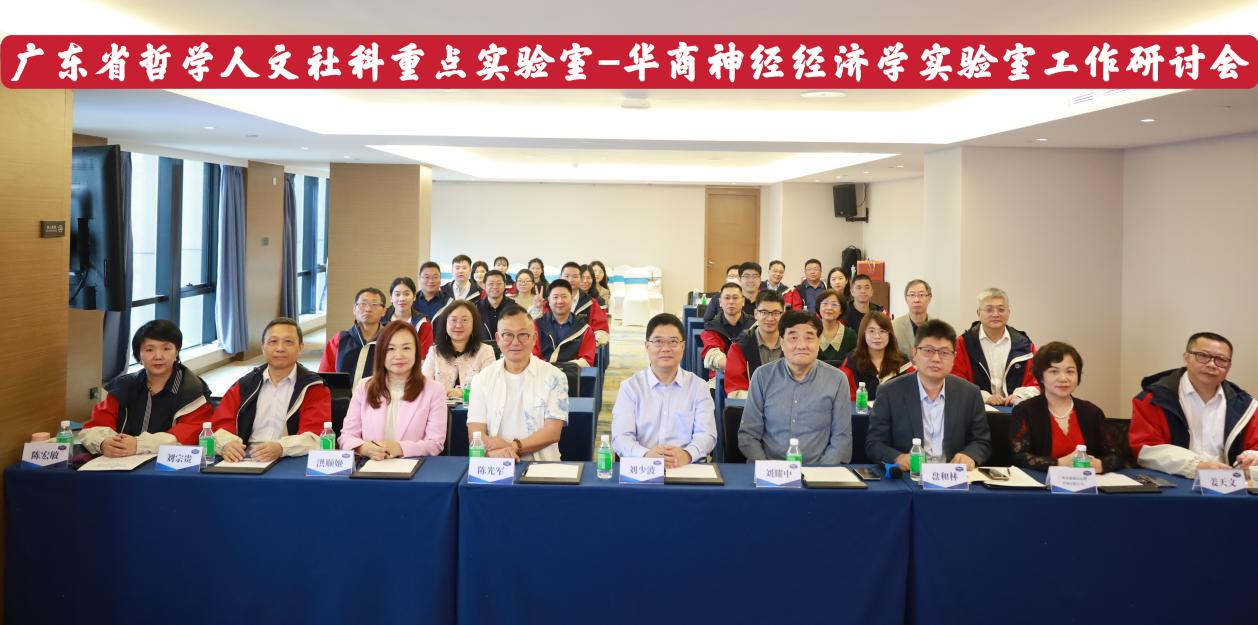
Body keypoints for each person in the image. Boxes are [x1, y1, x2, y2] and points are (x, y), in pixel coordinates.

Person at [865, 319, 991, 470]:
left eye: (944, 353)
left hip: (952, 476)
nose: (936, 359)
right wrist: (897, 458)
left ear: (954, 357)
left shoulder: (970, 393)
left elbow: (981, 441)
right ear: (914, 353)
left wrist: (969, 455)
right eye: (928, 351)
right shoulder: (890, 392)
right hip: (910, 476)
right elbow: (874, 444)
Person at [1129, 332, 1258, 477]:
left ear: (1229, 366)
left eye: (1221, 360)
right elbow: (1146, 450)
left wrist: (1252, 458)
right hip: (1173, 482)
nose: (1212, 365)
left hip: (1228, 483)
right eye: (1203, 356)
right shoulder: (1153, 399)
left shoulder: (1246, 406)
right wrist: (1196, 466)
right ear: (1186, 358)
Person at [79, 320, 213, 456]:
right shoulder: (123, 386)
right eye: (149, 350)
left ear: (176, 352)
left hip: (169, 463)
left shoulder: (193, 390)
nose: (158, 356)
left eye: (166, 349)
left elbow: (189, 434)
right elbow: (95, 426)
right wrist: (104, 442)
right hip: (121, 461)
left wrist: (139, 445)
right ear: (138, 355)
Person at [738, 311, 852, 465]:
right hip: (770, 471)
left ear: (818, 342)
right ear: (782, 343)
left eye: (809, 338)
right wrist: (767, 469)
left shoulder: (837, 380)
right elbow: (749, 435)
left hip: (818, 472)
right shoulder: (762, 376)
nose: (801, 345)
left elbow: (841, 439)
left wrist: (821, 473)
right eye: (793, 338)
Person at [213, 318, 332, 462]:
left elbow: (316, 437)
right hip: (244, 458)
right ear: (263, 347)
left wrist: (281, 448)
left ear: (300, 347)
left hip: (289, 459)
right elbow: (218, 426)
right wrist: (227, 444)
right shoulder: (245, 385)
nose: (280, 348)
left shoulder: (313, 387)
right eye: (273, 342)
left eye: (288, 342)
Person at [611, 313, 717, 467]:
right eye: (658, 341)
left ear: (683, 346)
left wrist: (687, 454)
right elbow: (621, 437)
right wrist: (645, 454)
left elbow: (707, 434)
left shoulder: (698, 387)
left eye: (673, 342)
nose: (666, 349)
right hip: (642, 467)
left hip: (686, 466)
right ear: (647, 346)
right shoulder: (630, 387)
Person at [467, 305, 568, 461]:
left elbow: (553, 432)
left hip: (542, 466)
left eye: (523, 335)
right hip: (496, 463)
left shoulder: (555, 377)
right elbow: (475, 432)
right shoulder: (482, 379)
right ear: (498, 339)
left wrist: (514, 446)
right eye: (507, 335)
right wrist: (493, 454)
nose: (515, 342)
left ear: (534, 338)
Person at [340, 320, 447, 458]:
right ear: (381, 353)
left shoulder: (435, 390)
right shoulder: (364, 387)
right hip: (371, 465)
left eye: (406, 348)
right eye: (391, 349)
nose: (399, 356)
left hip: (414, 466)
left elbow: (435, 444)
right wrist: (364, 448)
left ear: (416, 351)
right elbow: (346, 437)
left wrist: (400, 448)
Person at [1011, 342, 1121, 473]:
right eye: (1054, 371)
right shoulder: (1025, 410)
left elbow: (1116, 455)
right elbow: (1018, 457)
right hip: (1042, 483)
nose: (1063, 378)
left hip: (1086, 482)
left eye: (1070, 371)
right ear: (1041, 376)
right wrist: (1058, 463)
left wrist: (1101, 465)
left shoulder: (1092, 412)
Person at [952, 288, 1039, 406]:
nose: (996, 314)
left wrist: (1019, 396)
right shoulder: (963, 343)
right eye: (989, 309)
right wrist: (984, 397)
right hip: (975, 408)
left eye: (1001, 309)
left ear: (1009, 312)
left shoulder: (1024, 345)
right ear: (978, 313)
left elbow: (1037, 380)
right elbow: (955, 380)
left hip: (1015, 410)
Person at [423, 301, 497, 400]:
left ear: (474, 324)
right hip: (439, 407)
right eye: (453, 320)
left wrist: (463, 392)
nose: (458, 325)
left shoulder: (486, 351)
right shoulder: (434, 352)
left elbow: (490, 386)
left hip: (474, 408)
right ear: (445, 323)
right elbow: (424, 385)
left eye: (465, 320)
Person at [319, 287, 389, 388]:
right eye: (363, 304)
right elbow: (325, 376)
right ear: (354, 309)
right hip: (343, 397)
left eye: (374, 304)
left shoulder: (390, 341)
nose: (368, 309)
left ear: (384, 311)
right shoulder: (339, 340)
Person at [724, 290, 786, 398]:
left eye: (776, 313)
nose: (770, 318)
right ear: (756, 314)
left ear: (783, 314)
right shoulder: (739, 347)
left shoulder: (792, 345)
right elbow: (736, 391)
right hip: (750, 405)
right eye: (764, 312)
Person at [839, 312, 913, 402]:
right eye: (871, 331)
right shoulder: (852, 362)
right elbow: (846, 399)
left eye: (882, 331)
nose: (877, 336)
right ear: (863, 334)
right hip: (862, 411)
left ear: (890, 334)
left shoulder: (903, 362)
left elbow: (913, 393)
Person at [533, 279, 597, 368]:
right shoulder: (537, 325)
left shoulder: (584, 329)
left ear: (572, 299)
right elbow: (532, 356)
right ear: (548, 301)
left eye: (564, 296)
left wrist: (563, 368)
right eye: (555, 297)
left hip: (571, 374)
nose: (560, 301)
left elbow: (587, 360)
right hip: (542, 373)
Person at [699, 282, 754, 377]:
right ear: (720, 302)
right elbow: (712, 354)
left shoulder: (754, 325)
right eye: (727, 298)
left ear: (743, 301)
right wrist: (735, 367)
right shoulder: (712, 327)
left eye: (735, 298)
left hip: (751, 375)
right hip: (721, 376)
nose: (731, 302)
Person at [557, 262, 610, 345]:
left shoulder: (592, 303)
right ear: (560, 277)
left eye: (574, 276)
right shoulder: (550, 301)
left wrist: (592, 342)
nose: (570, 280)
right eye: (567, 276)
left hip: (582, 347)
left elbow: (601, 328)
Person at [382, 276, 436, 356]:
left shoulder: (423, 324)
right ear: (391, 298)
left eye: (406, 294)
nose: (402, 298)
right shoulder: (381, 319)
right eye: (397, 294)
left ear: (414, 297)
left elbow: (424, 357)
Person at [892, 279, 932, 360]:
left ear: (929, 298)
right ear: (906, 299)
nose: (916, 300)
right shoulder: (894, 326)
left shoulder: (939, 327)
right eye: (912, 295)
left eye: (921, 295)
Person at [815, 288, 856, 362]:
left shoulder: (850, 335)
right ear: (819, 307)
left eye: (834, 304)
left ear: (841, 310)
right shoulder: (811, 332)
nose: (829, 308)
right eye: (825, 303)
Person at [476, 270, 511, 339]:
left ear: (504, 285)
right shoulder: (475, 308)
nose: (495, 287)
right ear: (484, 286)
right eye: (491, 284)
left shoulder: (514, 308)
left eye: (499, 283)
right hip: (482, 345)